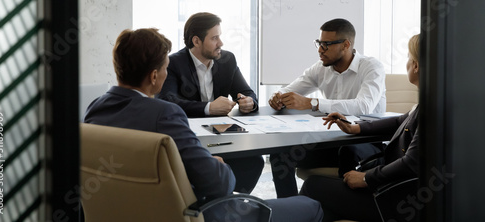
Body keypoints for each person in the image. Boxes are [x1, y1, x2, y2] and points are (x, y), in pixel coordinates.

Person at [84, 28, 323, 222]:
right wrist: (217, 165)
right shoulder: (164, 115)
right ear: (154, 76)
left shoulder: (95, 109)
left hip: (127, 212)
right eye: (165, 68)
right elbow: (220, 184)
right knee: (310, 205)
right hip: (195, 214)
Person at [299, 33, 420, 222]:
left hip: (394, 198)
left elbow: (412, 163)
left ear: (416, 65)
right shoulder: (432, 101)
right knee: (327, 205)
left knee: (312, 186)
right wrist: (356, 128)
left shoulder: (433, 109)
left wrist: (366, 178)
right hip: (393, 186)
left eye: (408, 57)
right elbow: (399, 121)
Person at [268, 18, 386, 197]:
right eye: (319, 43)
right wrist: (278, 97)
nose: (320, 50)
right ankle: (292, 207)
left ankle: (342, 205)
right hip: (333, 140)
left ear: (346, 45)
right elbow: (289, 89)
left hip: (366, 140)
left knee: (347, 151)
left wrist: (312, 103)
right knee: (280, 155)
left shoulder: (371, 67)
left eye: (326, 45)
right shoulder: (321, 68)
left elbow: (364, 105)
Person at [159, 12, 264, 194]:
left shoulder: (227, 60)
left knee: (255, 160)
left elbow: (247, 92)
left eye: (220, 36)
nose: (221, 43)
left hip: (222, 135)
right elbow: (168, 102)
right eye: (214, 38)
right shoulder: (174, 63)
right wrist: (208, 108)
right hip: (189, 137)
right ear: (196, 41)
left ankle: (231, 202)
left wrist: (249, 102)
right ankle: (216, 201)